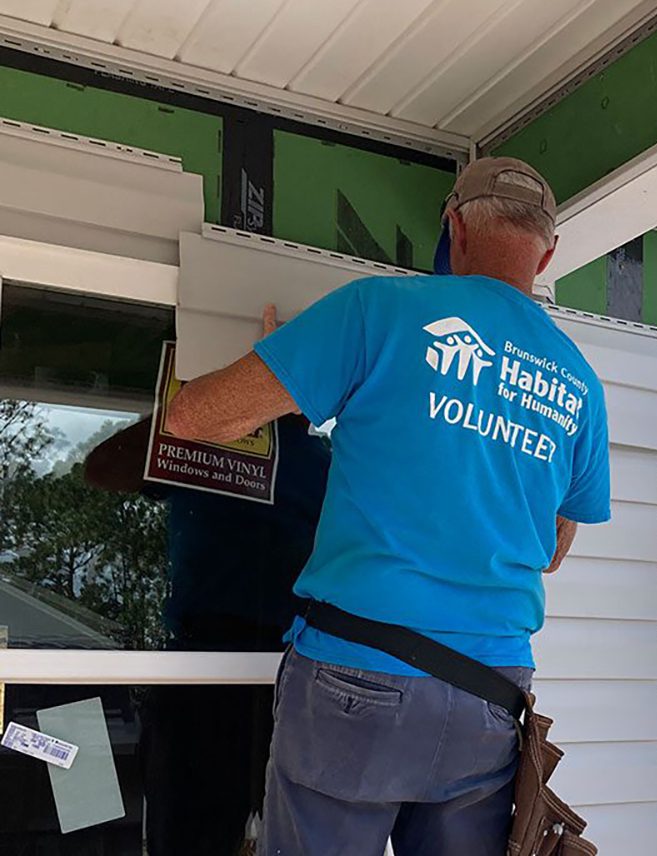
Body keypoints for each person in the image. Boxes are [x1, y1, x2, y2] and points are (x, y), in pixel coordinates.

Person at [164, 156, 611, 856]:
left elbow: (194, 417)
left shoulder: (382, 310)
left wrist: (285, 375)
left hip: (356, 680)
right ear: (547, 252)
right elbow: (554, 548)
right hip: (490, 697)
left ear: (455, 227)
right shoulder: (579, 384)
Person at [84, 389, 331, 856]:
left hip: (289, 670)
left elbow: (103, 469)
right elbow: (104, 469)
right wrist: (191, 409)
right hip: (207, 669)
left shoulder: (328, 469)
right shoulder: (211, 444)